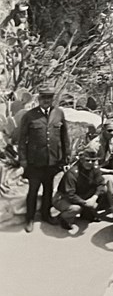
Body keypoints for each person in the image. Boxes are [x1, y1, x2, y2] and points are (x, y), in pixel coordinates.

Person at [15, 86, 69, 232]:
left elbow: (64, 138)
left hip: (52, 161)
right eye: (44, 98)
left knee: (48, 190)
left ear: (52, 99)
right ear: (39, 99)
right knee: (33, 191)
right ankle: (30, 219)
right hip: (34, 162)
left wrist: (65, 158)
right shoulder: (30, 115)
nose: (46, 101)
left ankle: (46, 215)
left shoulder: (59, 113)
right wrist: (23, 160)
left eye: (49, 98)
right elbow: (22, 140)